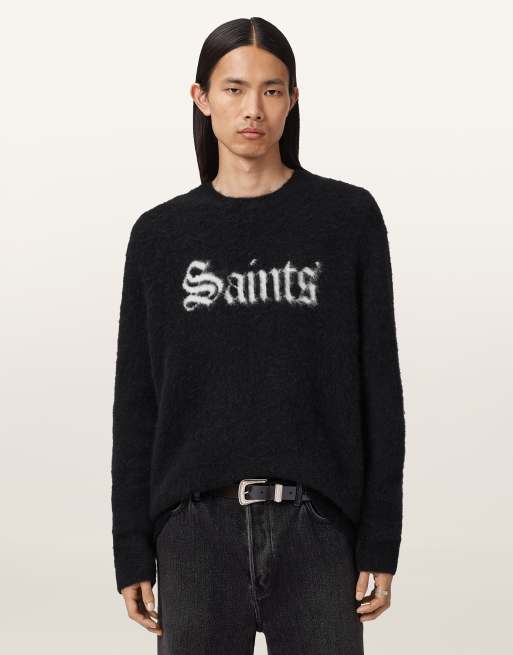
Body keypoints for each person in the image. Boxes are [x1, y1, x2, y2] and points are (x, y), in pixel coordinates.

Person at [111, 16, 406, 655]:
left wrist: (381, 539)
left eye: (272, 90)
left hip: (319, 527)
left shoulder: (347, 219)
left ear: (293, 100)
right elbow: (136, 403)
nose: (253, 109)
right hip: (193, 532)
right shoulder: (160, 237)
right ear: (201, 98)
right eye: (234, 89)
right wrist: (131, 548)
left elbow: (379, 387)